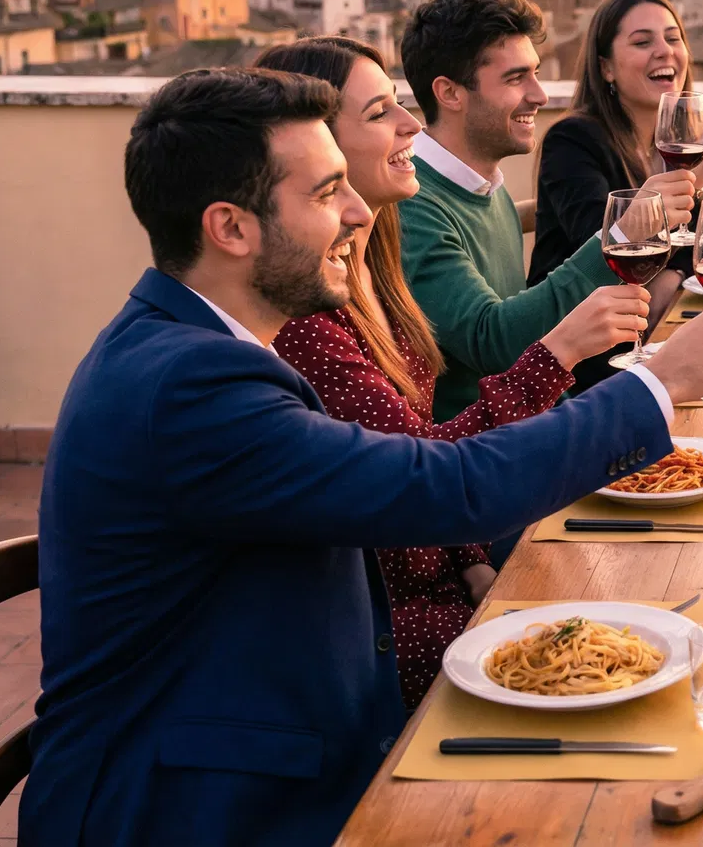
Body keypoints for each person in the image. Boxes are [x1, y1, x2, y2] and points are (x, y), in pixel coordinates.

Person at [26, 68, 703, 847]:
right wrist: (654, 386)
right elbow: (437, 485)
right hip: (195, 808)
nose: (352, 213)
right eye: (323, 193)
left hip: (277, 749)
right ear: (231, 229)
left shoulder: (201, 348)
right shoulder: (189, 386)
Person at [258, 37, 648, 707]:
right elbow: (417, 477)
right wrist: (576, 360)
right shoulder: (309, 317)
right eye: (381, 112)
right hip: (383, 620)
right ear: (316, 149)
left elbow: (415, 443)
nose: (411, 125)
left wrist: (467, 556)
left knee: (621, 593)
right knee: (611, 622)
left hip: (440, 548)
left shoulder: (378, 261)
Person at [397, 0, 623, 423]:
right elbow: (493, 341)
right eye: (516, 78)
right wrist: (621, 238)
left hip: (533, 426)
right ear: (449, 93)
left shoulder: (483, 183)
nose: (539, 95)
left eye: (535, 74)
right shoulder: (412, 204)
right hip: (476, 457)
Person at [529, 0, 703, 287]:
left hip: (650, 320)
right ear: (606, 67)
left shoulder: (678, 140)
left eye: (673, 38)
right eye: (642, 42)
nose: (665, 51)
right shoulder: (571, 140)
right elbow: (603, 253)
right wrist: (700, 173)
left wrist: (671, 277)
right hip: (575, 325)